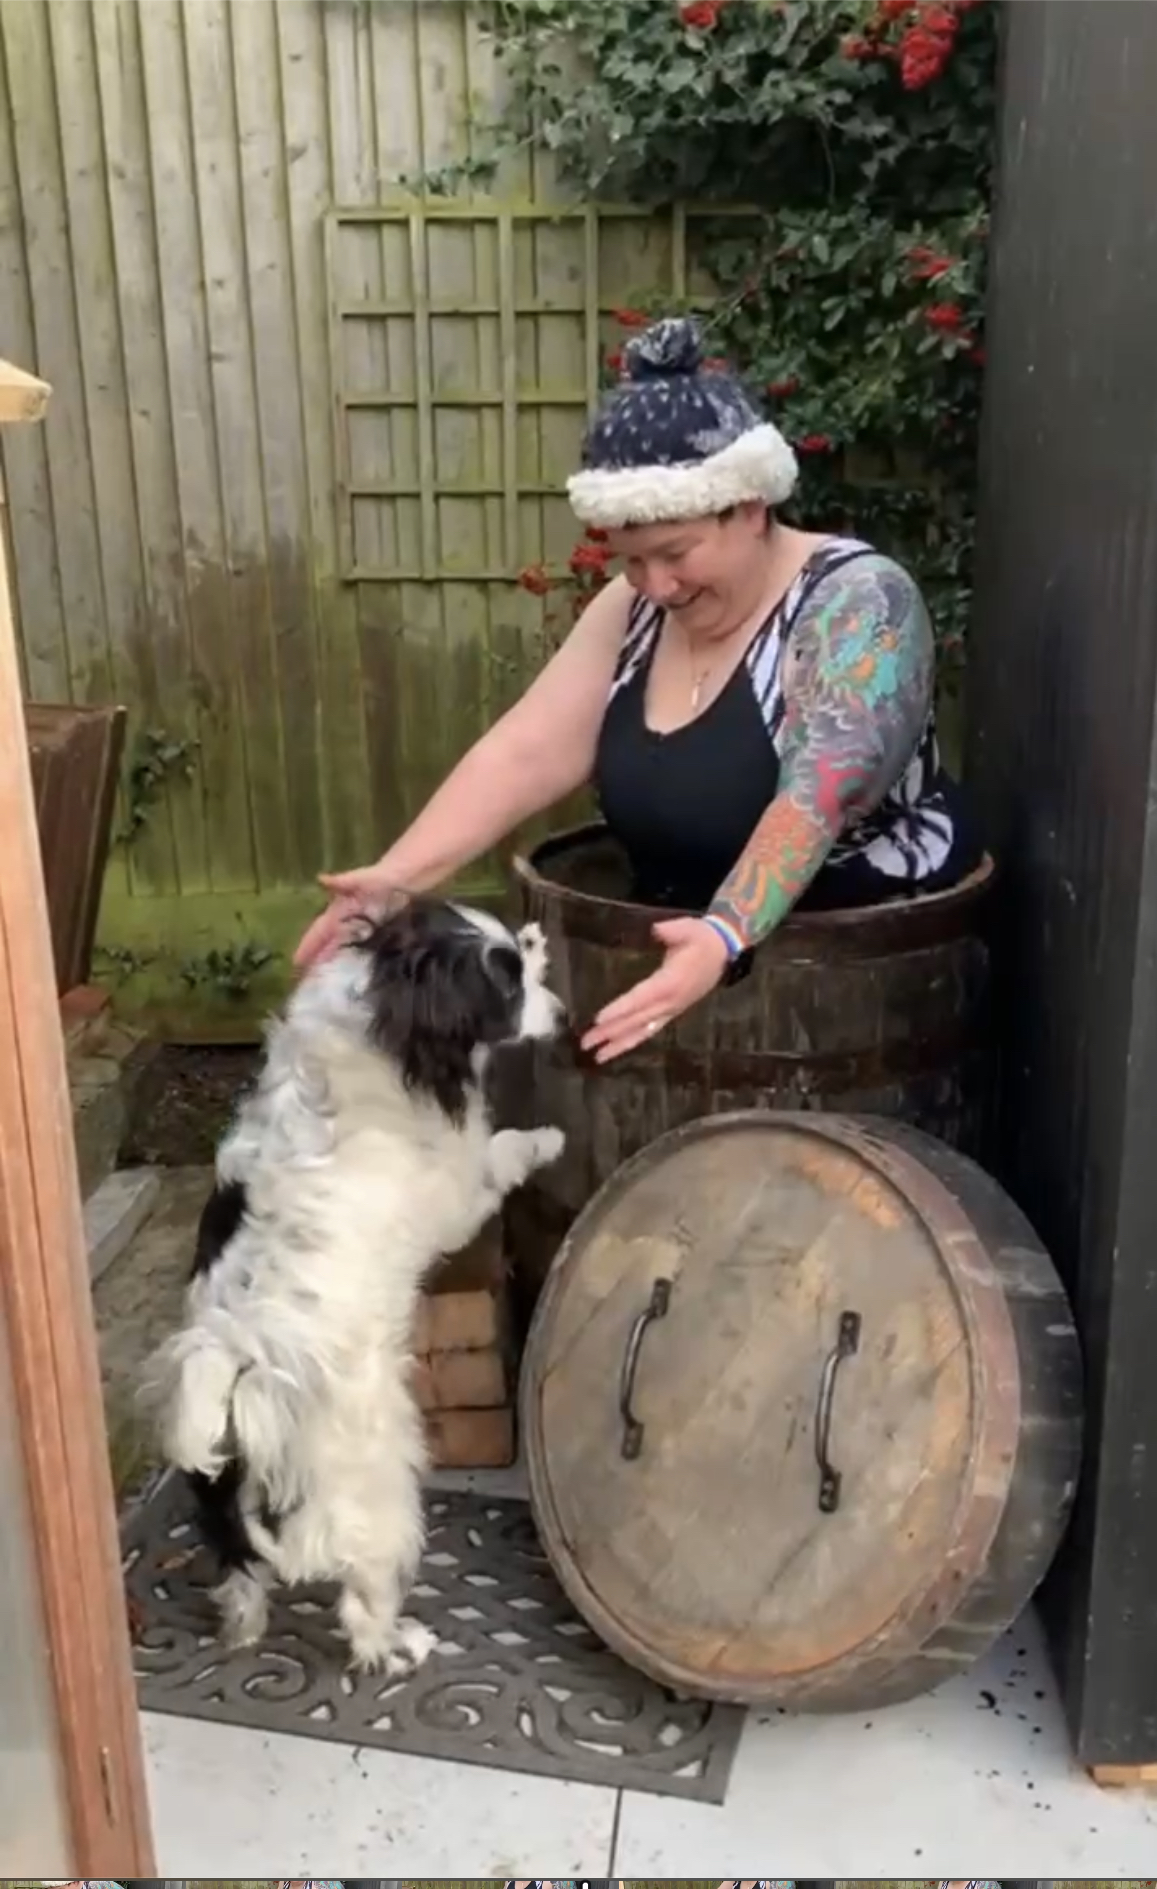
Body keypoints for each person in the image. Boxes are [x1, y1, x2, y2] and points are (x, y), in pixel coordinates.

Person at [295, 316, 980, 1063]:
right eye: (631, 561)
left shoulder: (857, 604)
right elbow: (526, 750)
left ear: (749, 506)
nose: (657, 584)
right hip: (679, 971)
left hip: (859, 996)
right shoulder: (633, 612)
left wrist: (726, 930)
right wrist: (397, 877)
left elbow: (818, 791)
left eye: (675, 552)